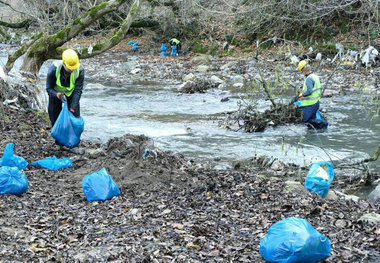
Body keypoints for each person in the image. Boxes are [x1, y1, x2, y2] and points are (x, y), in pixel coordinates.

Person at [46, 49, 84, 147]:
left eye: (73, 67)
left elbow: (78, 90)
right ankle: (59, 141)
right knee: (54, 114)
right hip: (56, 93)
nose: (71, 69)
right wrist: (58, 95)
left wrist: (72, 108)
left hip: (71, 94)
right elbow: (49, 88)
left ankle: (74, 143)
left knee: (74, 117)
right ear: (64, 63)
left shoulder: (80, 70)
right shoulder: (53, 69)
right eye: (69, 68)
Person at [294, 60, 329, 129]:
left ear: (304, 70)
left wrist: (299, 95)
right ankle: (316, 131)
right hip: (316, 102)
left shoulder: (309, 79)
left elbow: (309, 91)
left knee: (306, 120)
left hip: (310, 104)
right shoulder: (315, 76)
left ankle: (323, 124)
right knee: (312, 120)